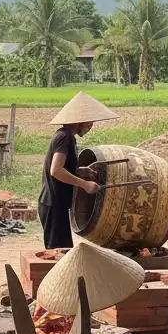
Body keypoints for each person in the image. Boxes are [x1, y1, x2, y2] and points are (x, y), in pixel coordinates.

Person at [37, 91, 119, 249]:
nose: (90, 127)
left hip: (57, 203)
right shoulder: (64, 137)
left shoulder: (68, 137)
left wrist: (82, 171)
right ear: (79, 121)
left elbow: (64, 168)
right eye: (89, 123)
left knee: (63, 249)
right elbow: (56, 171)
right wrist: (84, 184)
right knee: (59, 252)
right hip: (53, 203)